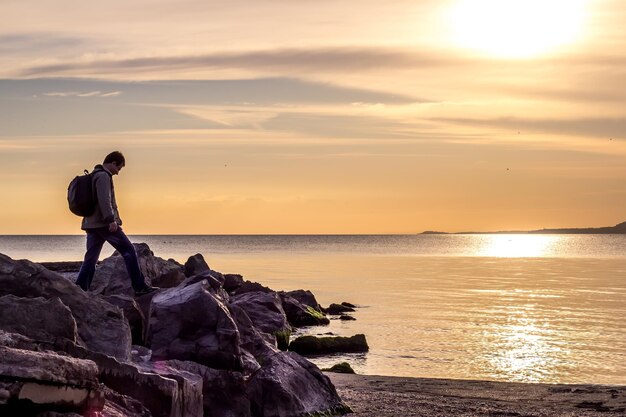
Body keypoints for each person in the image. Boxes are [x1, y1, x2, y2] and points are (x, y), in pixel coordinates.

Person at [75, 151, 158, 296]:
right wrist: (111, 220)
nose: (118, 172)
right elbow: (104, 200)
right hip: (104, 224)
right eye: (119, 168)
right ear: (113, 163)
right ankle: (139, 287)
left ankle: (79, 290)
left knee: (91, 259)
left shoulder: (94, 174)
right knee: (129, 251)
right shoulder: (103, 176)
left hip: (91, 224)